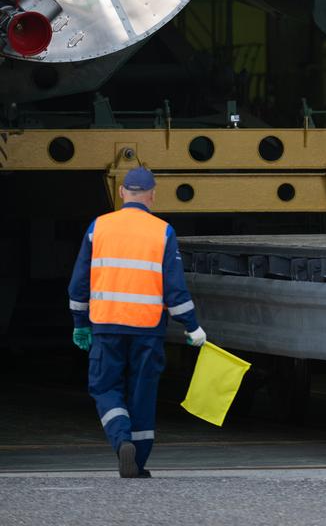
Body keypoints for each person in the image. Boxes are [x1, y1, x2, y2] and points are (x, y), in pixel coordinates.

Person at [67, 166, 207, 478]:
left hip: (106, 327)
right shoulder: (163, 231)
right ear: (152, 195)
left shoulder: (98, 227)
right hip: (147, 330)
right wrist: (191, 326)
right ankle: (138, 462)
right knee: (143, 392)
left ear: (121, 193)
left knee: (105, 387)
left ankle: (121, 440)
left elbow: (79, 282)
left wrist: (80, 322)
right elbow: (175, 288)